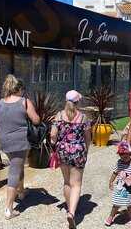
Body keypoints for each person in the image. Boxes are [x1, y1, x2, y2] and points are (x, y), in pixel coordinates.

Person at [0, 74, 40, 220]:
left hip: (4, 141)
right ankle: (9, 209)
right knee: (14, 171)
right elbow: (36, 120)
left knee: (18, 165)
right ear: (19, 89)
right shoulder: (24, 102)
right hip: (19, 141)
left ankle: (21, 192)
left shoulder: (0, 103)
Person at [50, 90, 91, 229]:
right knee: (77, 184)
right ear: (78, 102)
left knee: (67, 182)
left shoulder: (59, 115)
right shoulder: (83, 117)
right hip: (78, 151)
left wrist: (55, 144)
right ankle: (72, 213)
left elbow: (53, 135)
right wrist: (86, 150)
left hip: (62, 151)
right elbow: (87, 138)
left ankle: (69, 208)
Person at [104, 141, 131, 227]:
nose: (123, 156)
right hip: (119, 187)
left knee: (129, 204)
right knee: (116, 203)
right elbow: (115, 172)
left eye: (125, 154)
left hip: (129, 189)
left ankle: (130, 218)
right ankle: (111, 217)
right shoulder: (119, 162)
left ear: (130, 154)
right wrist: (111, 181)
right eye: (121, 154)